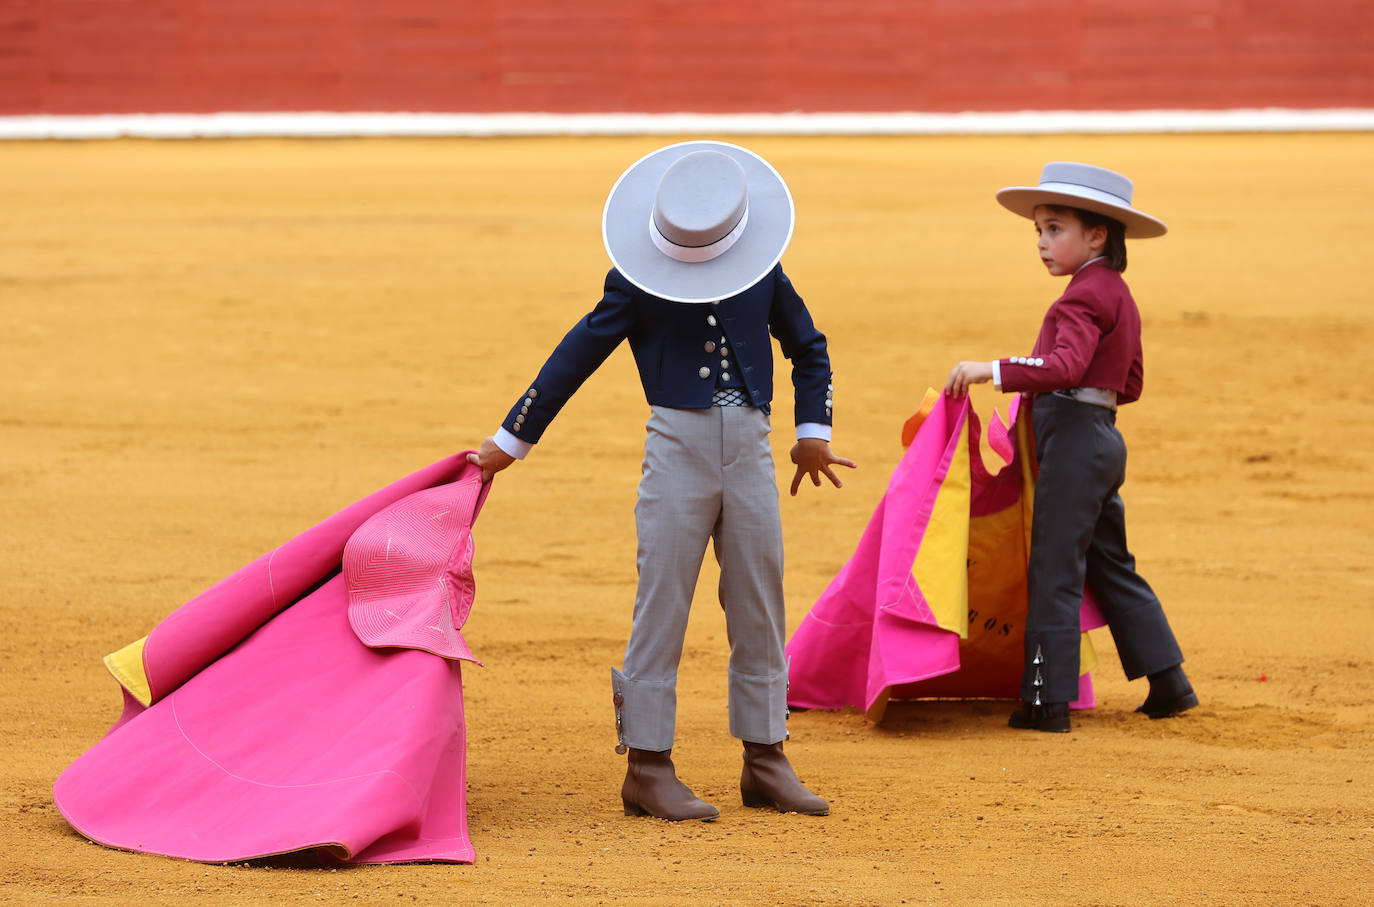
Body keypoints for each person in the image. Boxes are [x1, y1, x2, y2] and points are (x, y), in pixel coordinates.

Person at [468, 141, 855, 818]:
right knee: (663, 604)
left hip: (755, 450)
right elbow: (575, 355)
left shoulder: (761, 270)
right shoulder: (637, 279)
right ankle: (647, 765)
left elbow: (809, 347)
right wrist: (512, 439)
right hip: (677, 447)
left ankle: (765, 757)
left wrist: (812, 434)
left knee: (759, 599)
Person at [944, 161, 1197, 733]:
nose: (1041, 243)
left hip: (1076, 442)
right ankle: (1169, 682)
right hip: (1102, 438)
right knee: (1109, 563)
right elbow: (1128, 383)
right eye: (1038, 230)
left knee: (1053, 569)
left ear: (1097, 234)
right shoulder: (1116, 292)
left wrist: (994, 369)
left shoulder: (1079, 299)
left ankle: (1045, 700)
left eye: (1055, 228)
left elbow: (1064, 365)